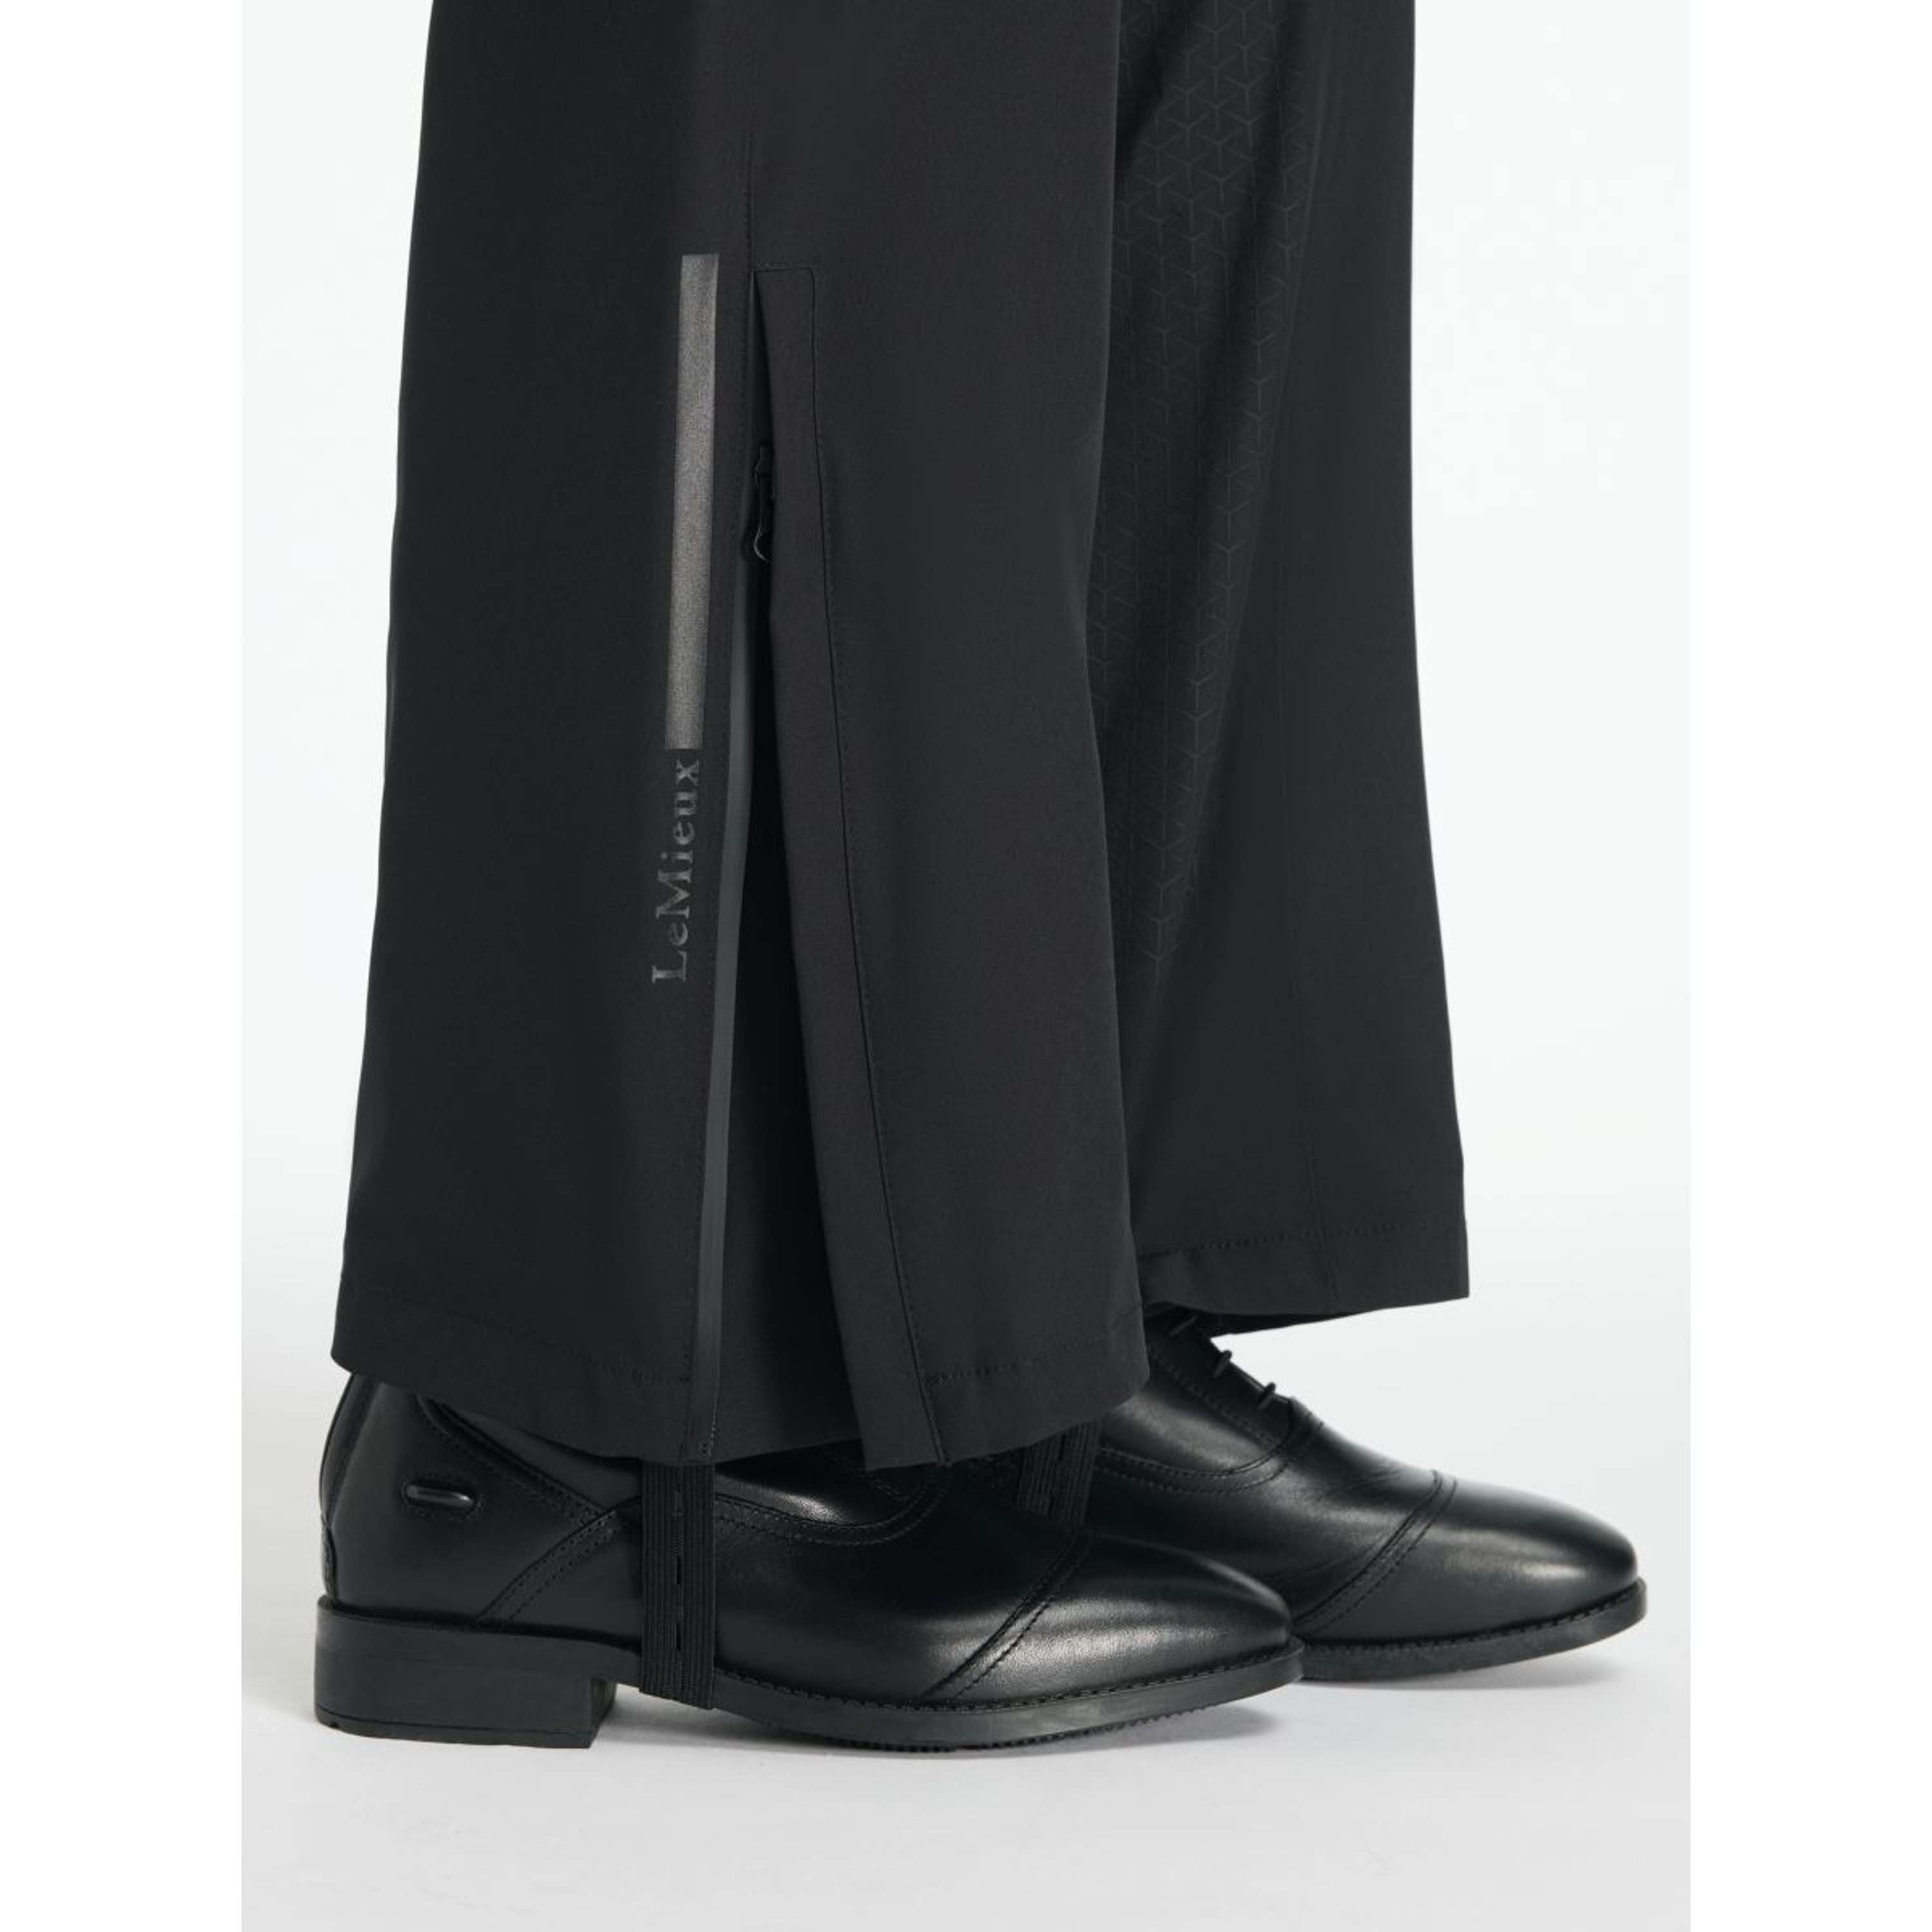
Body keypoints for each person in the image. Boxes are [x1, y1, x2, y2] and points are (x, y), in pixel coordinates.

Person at [314, 0, 1642, 1751]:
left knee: (1232, 67)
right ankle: (569, 1412)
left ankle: (1041, 1340)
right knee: (822, 78)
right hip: (606, 1311)